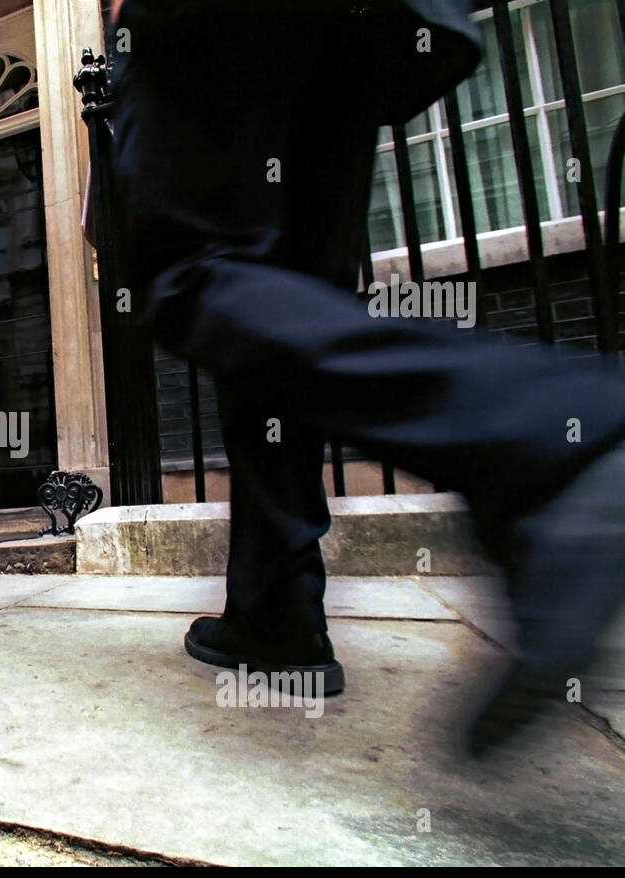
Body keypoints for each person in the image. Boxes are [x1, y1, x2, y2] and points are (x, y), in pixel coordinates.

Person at [109, 0, 625, 753]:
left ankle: (555, 434)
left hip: (214, 20)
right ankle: (276, 617)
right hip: (374, 20)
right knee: (288, 299)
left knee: (192, 273)